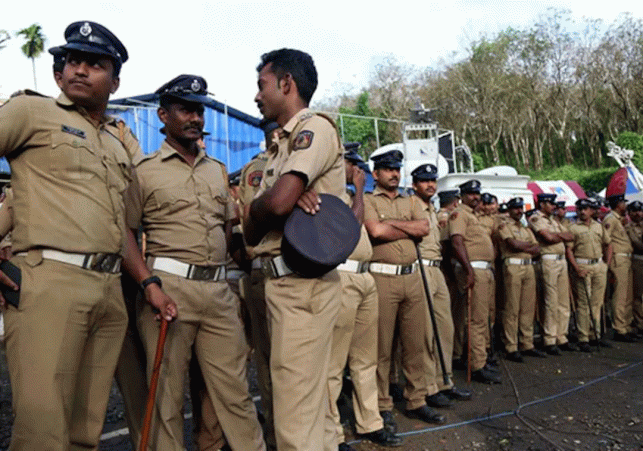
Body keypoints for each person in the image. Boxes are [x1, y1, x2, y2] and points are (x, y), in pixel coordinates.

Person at [0, 21, 138, 450]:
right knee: (43, 433)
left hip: (109, 290)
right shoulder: (30, 112)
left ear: (114, 81)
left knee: (84, 433)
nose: (79, 70)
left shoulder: (117, 146)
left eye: (94, 64)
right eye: (72, 61)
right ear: (59, 74)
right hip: (49, 282)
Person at [122, 74, 265, 451]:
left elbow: (231, 232)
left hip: (219, 291)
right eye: (185, 109)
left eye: (199, 110)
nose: (195, 118)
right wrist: (148, 285)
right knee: (167, 397)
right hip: (169, 288)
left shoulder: (216, 170)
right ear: (163, 115)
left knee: (234, 392)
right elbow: (124, 234)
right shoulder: (144, 171)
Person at [244, 48, 346, 451]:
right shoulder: (277, 148)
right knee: (311, 414)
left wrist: (264, 205)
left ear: (286, 84)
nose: (256, 97)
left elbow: (278, 203)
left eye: (262, 85)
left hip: (301, 285)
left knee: (294, 424)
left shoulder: (313, 129)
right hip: (285, 284)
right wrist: (268, 205)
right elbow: (253, 233)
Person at [363, 150, 446, 429]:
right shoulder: (366, 200)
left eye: (397, 169)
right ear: (376, 174)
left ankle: (417, 400)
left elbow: (423, 228)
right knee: (382, 346)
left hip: (413, 278)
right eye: (387, 169)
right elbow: (375, 232)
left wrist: (391, 225)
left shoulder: (411, 200)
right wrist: (403, 228)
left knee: (415, 343)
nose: (394, 174)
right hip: (382, 278)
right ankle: (383, 403)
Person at [327, 144, 402, 451]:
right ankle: (331, 430)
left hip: (364, 275)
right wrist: (359, 189)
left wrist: (355, 190)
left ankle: (370, 421)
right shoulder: (331, 196)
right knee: (334, 362)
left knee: (365, 359)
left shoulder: (349, 195)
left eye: (359, 165)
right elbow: (351, 225)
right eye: (350, 163)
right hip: (341, 275)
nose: (356, 169)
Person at [411, 164, 472, 405]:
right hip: (421, 268)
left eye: (433, 181)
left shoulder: (432, 209)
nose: (430, 185)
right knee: (427, 332)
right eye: (424, 181)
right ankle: (429, 387)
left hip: (436, 269)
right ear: (415, 184)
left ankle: (444, 379)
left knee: (445, 329)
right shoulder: (410, 205)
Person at [449, 179, 500, 384]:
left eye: (477, 193)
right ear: (462, 195)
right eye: (470, 194)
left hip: (485, 270)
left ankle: (480, 357)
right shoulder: (459, 214)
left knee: (484, 316)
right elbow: (456, 241)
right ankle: (477, 365)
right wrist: (468, 269)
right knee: (476, 318)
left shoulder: (474, 216)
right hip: (474, 270)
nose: (475, 197)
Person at [498, 197, 545, 361]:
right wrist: (527, 247)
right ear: (509, 210)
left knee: (527, 308)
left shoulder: (525, 229)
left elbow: (538, 248)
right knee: (512, 307)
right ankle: (511, 346)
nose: (519, 211)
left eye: (521, 208)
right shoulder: (504, 226)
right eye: (516, 208)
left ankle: (527, 343)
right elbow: (513, 245)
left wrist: (525, 246)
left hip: (528, 266)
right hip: (513, 266)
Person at [529, 193, 576, 354]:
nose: (553, 206)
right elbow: (547, 237)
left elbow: (570, 236)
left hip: (561, 259)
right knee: (551, 300)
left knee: (563, 301)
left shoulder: (554, 220)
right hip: (548, 259)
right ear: (542, 204)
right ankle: (549, 338)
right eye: (550, 203)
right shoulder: (537, 219)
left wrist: (558, 236)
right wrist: (559, 237)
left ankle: (561, 336)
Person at [566, 198, 612, 352]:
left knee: (597, 303)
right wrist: (576, 268)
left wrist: (607, 264)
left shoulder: (599, 226)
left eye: (586, 209)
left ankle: (595, 334)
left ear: (592, 210)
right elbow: (569, 250)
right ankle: (583, 337)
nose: (583, 212)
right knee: (584, 303)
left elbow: (608, 244)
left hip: (598, 265)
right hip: (582, 264)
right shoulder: (573, 228)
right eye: (580, 209)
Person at [603, 194, 637, 342]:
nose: (625, 206)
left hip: (626, 258)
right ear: (618, 204)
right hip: (619, 258)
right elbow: (606, 241)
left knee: (628, 294)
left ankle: (627, 325)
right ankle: (619, 328)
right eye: (623, 203)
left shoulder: (618, 220)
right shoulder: (610, 219)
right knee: (620, 295)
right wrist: (608, 263)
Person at [626, 201, 643, 334]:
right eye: (635, 211)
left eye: (640, 210)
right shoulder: (627, 227)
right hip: (637, 260)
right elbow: (637, 246)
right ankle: (640, 322)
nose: (638, 213)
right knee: (637, 294)